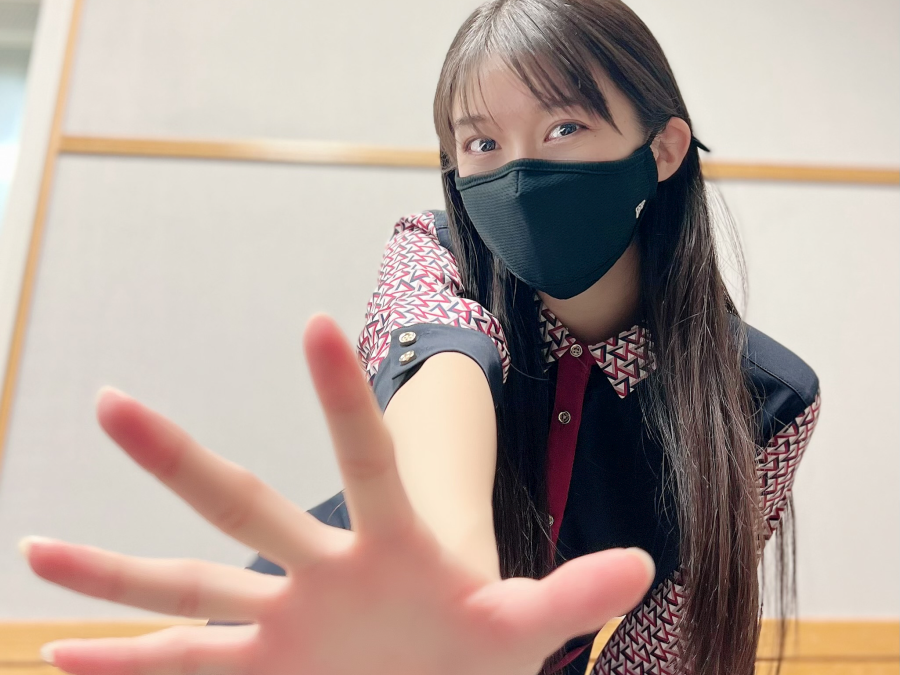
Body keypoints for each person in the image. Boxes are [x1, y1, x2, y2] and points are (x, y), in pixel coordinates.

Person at [19, 1, 820, 674]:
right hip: (327, 631)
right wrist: (453, 591)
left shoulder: (770, 400)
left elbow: (666, 638)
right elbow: (441, 363)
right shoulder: (429, 253)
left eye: (564, 126)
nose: (519, 173)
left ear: (664, 150)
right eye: (483, 144)